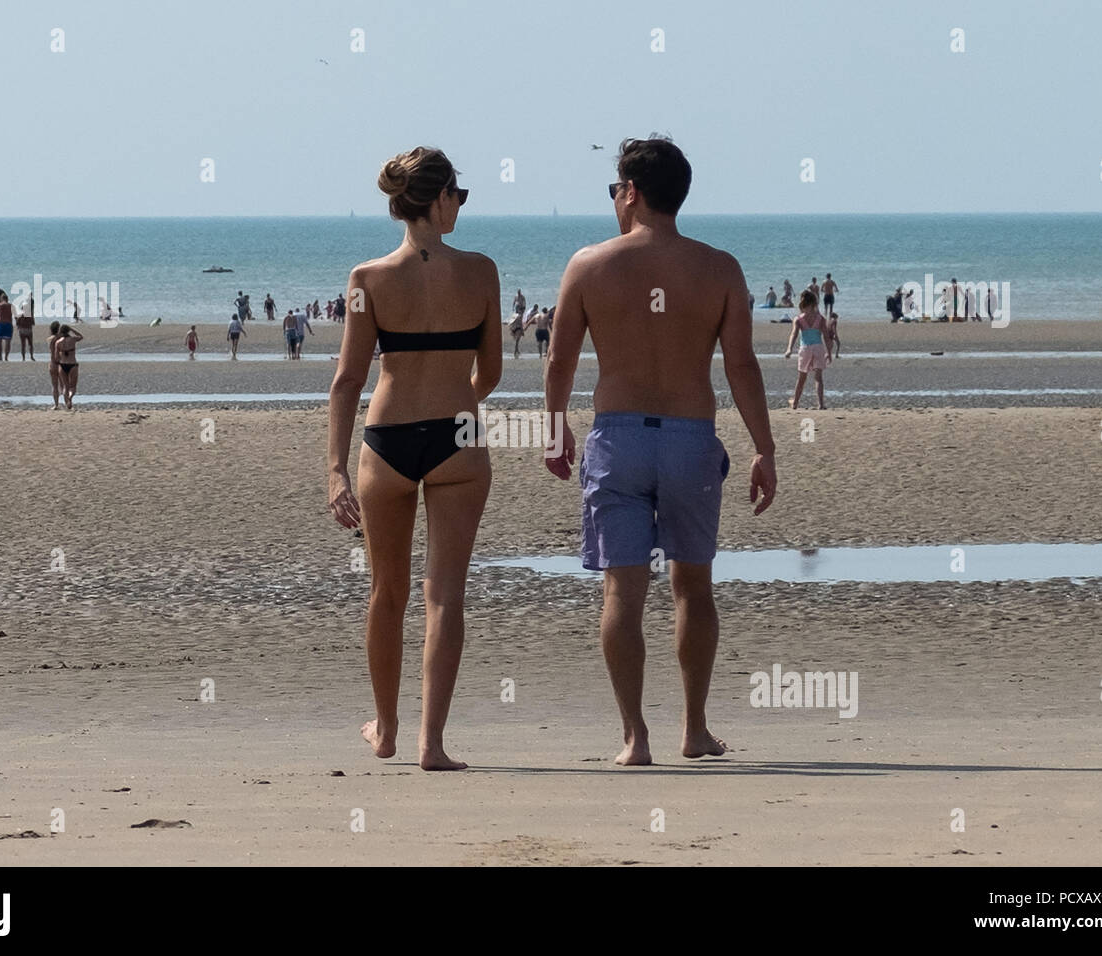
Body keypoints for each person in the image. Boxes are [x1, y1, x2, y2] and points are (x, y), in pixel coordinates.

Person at [544, 136, 776, 765]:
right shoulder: (719, 268)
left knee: (622, 590)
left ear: (632, 192)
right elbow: (742, 366)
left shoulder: (588, 264)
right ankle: (694, 729)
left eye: (617, 188)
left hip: (619, 437)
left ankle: (633, 736)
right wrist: (764, 446)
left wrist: (555, 424)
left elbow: (560, 357)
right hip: (690, 438)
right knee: (693, 588)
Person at [327, 146, 502, 771]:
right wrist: (455, 406)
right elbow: (493, 372)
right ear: (438, 197)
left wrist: (336, 469)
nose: (461, 204)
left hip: (387, 438)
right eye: (459, 193)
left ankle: (388, 729)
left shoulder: (366, 280)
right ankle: (433, 743)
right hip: (458, 438)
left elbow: (348, 380)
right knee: (445, 594)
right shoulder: (482, 272)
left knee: (386, 591)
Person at [783, 290, 831, 409]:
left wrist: (789, 349)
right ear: (815, 303)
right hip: (818, 348)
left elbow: (793, 335)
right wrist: (829, 353)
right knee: (818, 378)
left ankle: (795, 403)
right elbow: (826, 337)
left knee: (801, 378)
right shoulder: (820, 319)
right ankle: (820, 404)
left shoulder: (799, 319)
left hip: (805, 349)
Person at [54, 325, 82, 409]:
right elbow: (81, 336)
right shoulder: (73, 340)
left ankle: (67, 403)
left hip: (63, 365)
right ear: (68, 331)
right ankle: (70, 397)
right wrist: (72, 329)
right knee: (72, 386)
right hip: (72, 364)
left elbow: (56, 357)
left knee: (65, 386)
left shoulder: (58, 342)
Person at [46, 321, 63, 408]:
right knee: (64, 384)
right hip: (61, 363)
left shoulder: (50, 339)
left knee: (55, 385)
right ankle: (68, 402)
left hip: (53, 363)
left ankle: (56, 404)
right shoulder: (61, 338)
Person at [0, 293, 14, 360]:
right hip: (8, 323)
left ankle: (0, 357)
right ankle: (6, 357)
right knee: (8, 342)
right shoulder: (10, 305)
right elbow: (16, 314)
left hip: (1, 324)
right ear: (7, 299)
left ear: (1, 299)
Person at [16, 294, 36, 359]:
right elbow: (33, 323)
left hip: (22, 330)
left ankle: (23, 357)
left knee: (23, 345)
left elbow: (17, 323)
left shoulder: (21, 315)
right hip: (29, 330)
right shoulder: (30, 315)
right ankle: (31, 356)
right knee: (30, 344)